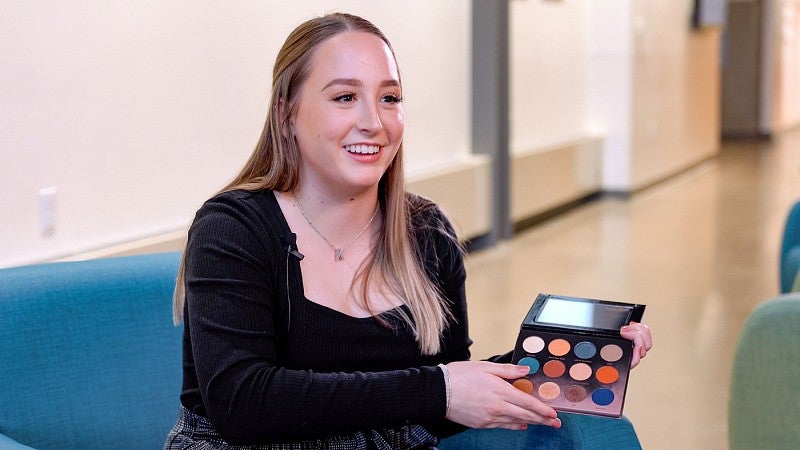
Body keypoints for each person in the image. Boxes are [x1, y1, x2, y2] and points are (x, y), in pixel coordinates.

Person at [164, 12, 653, 450]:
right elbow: (245, 403)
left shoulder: (427, 233)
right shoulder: (232, 229)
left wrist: (560, 362)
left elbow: (441, 399)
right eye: (345, 97)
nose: (373, 121)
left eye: (390, 98)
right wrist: (439, 389)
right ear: (286, 114)